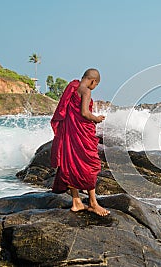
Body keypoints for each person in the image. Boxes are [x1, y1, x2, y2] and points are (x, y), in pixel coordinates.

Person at [50, 68, 110, 216]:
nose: (94, 87)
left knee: (71, 163)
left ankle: (76, 202)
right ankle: (92, 203)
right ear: (93, 81)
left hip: (69, 132)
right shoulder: (86, 91)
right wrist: (96, 119)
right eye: (96, 85)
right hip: (81, 133)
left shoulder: (73, 87)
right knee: (90, 164)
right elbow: (84, 113)